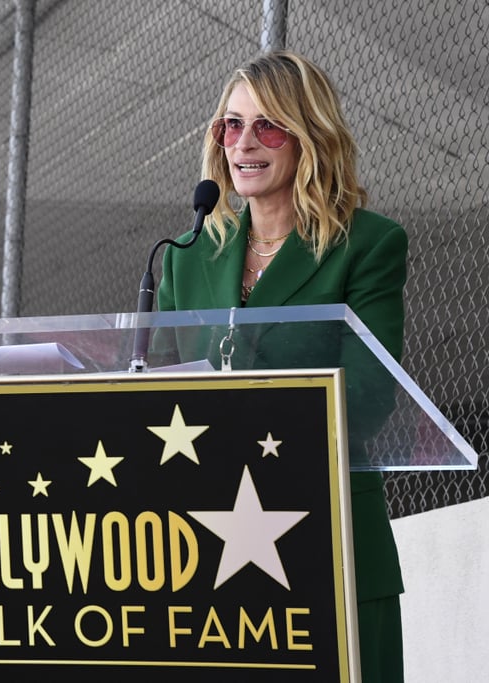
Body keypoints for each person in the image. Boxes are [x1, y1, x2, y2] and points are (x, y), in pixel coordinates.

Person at [156, 50, 407, 681]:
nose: (244, 142)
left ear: (310, 138)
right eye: (230, 125)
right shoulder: (186, 257)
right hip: (204, 545)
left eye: (268, 126)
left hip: (329, 533)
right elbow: (152, 392)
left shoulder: (368, 244)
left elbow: (371, 397)